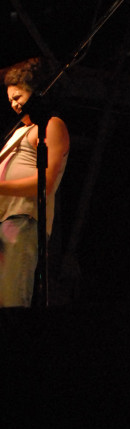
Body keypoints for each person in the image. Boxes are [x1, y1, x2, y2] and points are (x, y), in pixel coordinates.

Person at [0, 58, 70, 307]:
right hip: (4, 219)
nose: (14, 105)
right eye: (10, 100)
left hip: (23, 220)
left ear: (36, 92)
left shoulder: (52, 125)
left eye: (18, 97)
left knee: (11, 298)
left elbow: (47, 183)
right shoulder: (18, 131)